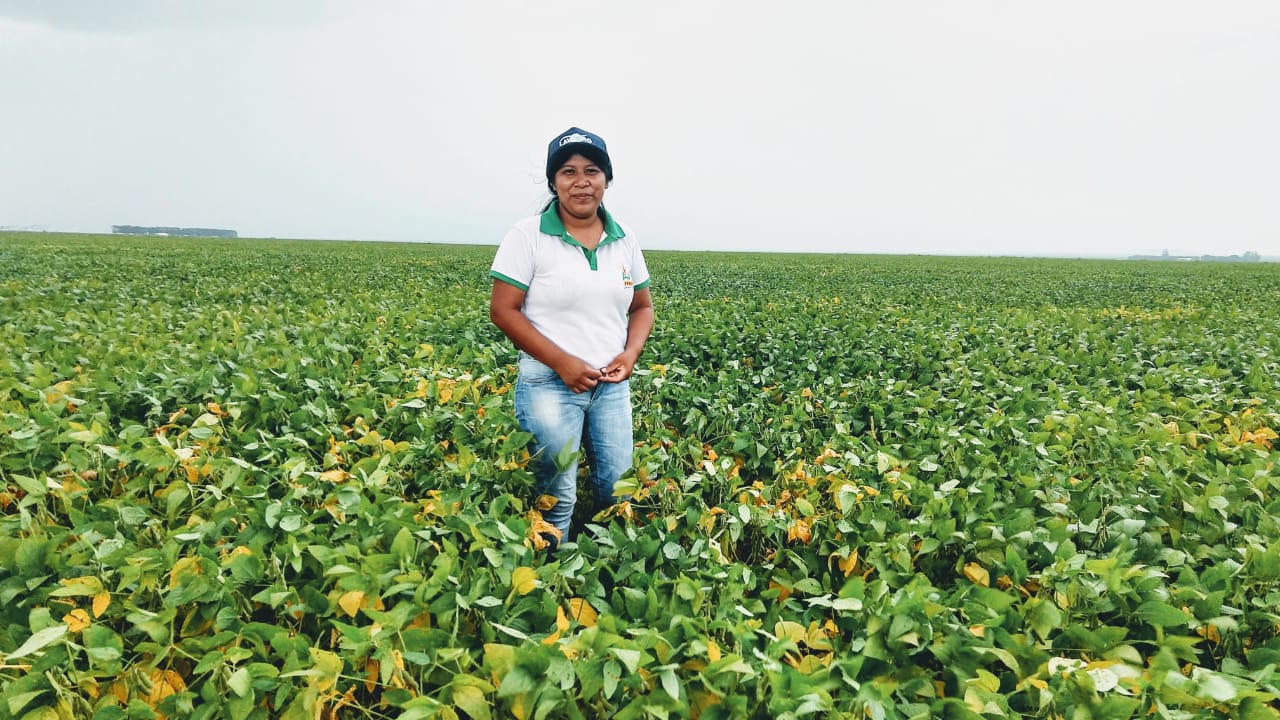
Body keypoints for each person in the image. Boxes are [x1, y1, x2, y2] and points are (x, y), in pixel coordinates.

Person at [489, 127, 654, 548]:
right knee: (556, 498)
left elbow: (642, 307)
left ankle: (607, 580)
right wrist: (562, 363)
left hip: (611, 387)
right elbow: (503, 310)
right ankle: (549, 586)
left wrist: (630, 353)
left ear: (606, 180)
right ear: (553, 182)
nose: (581, 181)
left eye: (592, 171)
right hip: (549, 385)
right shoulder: (527, 236)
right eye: (568, 172)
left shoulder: (624, 238)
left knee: (618, 491)